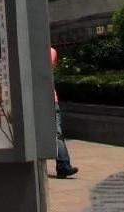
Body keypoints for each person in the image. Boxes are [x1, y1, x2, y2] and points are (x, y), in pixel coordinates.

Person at [51, 47, 78, 179]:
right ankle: (62, 165)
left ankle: (63, 165)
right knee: (57, 133)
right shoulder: (50, 51)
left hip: (48, 99)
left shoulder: (49, 51)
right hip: (49, 100)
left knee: (56, 133)